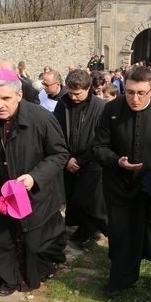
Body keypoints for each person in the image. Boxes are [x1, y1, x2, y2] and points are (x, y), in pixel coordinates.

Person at [0, 69, 69, 296]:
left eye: (5, 98)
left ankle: (41, 269)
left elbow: (59, 154)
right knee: (2, 238)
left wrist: (34, 176)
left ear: (19, 95)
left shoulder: (41, 118)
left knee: (35, 241)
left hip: (34, 193)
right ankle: (7, 278)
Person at [93, 66, 151, 298]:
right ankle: (123, 273)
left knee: (135, 226)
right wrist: (117, 161)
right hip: (116, 181)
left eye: (141, 93)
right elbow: (98, 146)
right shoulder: (111, 109)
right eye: (129, 92)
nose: (134, 98)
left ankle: (126, 270)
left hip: (149, 184)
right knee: (119, 227)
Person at [53, 69, 107, 247]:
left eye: (77, 94)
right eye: (70, 93)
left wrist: (81, 160)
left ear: (88, 88)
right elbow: (56, 132)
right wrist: (67, 158)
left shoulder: (100, 107)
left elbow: (101, 138)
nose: (74, 98)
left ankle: (88, 230)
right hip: (68, 160)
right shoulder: (63, 104)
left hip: (92, 162)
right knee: (72, 196)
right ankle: (81, 227)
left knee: (88, 199)